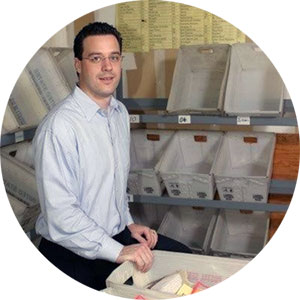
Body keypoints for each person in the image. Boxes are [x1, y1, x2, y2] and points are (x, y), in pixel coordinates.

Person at [33, 22, 192, 291]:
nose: (108, 67)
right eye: (96, 58)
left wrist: (128, 224)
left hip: (113, 237)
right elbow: (61, 215)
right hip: (70, 251)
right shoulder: (59, 128)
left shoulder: (117, 113)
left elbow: (112, 186)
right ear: (78, 65)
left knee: (185, 259)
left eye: (114, 57)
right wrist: (119, 251)